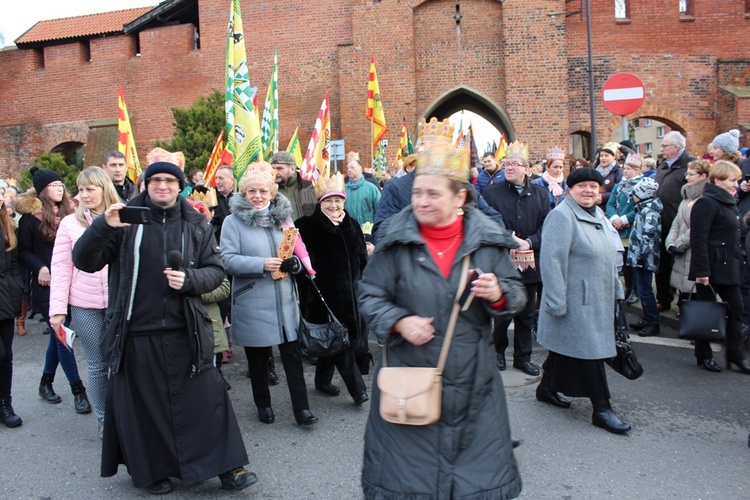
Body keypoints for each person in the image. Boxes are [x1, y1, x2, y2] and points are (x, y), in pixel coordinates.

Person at [358, 117, 525, 499]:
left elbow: (516, 296)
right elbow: (369, 295)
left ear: (460, 198)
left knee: (473, 484)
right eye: (418, 192)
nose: (421, 201)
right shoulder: (395, 242)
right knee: (410, 483)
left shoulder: (487, 242)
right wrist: (399, 321)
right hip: (410, 382)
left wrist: (498, 293)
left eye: (433, 194)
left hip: (474, 385)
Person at [72, 161, 254, 494]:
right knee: (145, 410)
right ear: (146, 184)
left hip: (185, 330)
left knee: (208, 400)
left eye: (170, 180)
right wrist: (103, 226)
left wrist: (190, 279)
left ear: (180, 186)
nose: (163, 186)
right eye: (155, 180)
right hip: (135, 333)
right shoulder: (125, 220)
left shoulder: (196, 223)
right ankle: (152, 471)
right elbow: (84, 261)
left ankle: (228, 467)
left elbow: (217, 272)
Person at [220, 161, 319, 426]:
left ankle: (302, 409)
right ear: (243, 193)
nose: (257, 196)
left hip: (284, 301)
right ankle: (263, 404)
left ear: (272, 192)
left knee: (292, 357)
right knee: (258, 360)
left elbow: (296, 252)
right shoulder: (232, 222)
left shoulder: (283, 219)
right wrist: (260, 264)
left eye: (263, 191)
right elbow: (227, 260)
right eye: (251, 191)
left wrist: (295, 265)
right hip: (253, 299)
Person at [536, 168, 631, 435]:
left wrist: (616, 289)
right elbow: (552, 261)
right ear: (570, 189)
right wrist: (555, 301)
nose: (588, 190)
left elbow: (607, 257)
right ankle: (602, 409)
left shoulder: (597, 214)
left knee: (565, 346)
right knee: (591, 353)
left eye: (593, 186)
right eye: (582, 186)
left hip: (597, 297)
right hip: (575, 299)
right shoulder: (562, 216)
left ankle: (545, 388)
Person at [49, 167, 119, 437]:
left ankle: (127, 415)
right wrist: (57, 311)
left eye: (90, 189)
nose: (83, 195)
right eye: (80, 189)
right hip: (84, 304)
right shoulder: (69, 223)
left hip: (118, 302)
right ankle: (103, 419)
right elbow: (62, 267)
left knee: (123, 361)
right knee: (98, 364)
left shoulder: (121, 217)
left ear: (104, 189)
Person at [16, 168, 90, 412]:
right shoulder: (30, 219)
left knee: (60, 337)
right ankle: (78, 389)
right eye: (54, 185)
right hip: (46, 286)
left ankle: (45, 382)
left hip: (72, 282)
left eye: (61, 184)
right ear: (42, 190)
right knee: (63, 336)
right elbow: (23, 253)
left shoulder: (73, 213)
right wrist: (41, 267)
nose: (59, 188)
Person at [295, 172, 370, 402]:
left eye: (338, 200)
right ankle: (358, 391)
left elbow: (362, 259)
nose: (334, 205)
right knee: (340, 342)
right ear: (320, 202)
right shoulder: (306, 226)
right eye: (328, 200)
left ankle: (322, 380)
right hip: (322, 299)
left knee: (332, 342)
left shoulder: (352, 224)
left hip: (351, 297)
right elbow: (297, 263)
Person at [483, 143, 549, 376]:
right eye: (506, 164)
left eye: (514, 164)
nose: (509, 168)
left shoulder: (541, 194)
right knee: (503, 310)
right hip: (503, 260)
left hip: (531, 259)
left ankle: (523, 357)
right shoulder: (491, 192)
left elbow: (546, 225)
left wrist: (530, 242)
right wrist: (509, 238)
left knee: (527, 312)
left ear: (527, 169)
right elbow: (488, 221)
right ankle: (498, 352)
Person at [689, 160, 750, 374]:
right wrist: (702, 271)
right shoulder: (706, 203)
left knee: (736, 310)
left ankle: (735, 355)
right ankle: (704, 354)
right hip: (710, 267)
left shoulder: (728, 201)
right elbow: (698, 239)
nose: (737, 183)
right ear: (717, 180)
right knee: (707, 312)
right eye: (732, 180)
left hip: (729, 266)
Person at [665, 160, 711, 362]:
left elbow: (698, 228)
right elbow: (676, 222)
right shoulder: (686, 197)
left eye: (692, 174)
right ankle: (687, 327)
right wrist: (671, 242)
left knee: (695, 293)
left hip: (694, 251)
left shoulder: (705, 198)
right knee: (684, 293)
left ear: (702, 176)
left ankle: (698, 332)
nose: (687, 177)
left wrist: (681, 243)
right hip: (681, 252)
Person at [654, 131, 697, 311]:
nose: (661, 148)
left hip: (680, 223)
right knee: (662, 265)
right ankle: (664, 298)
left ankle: (683, 304)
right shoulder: (663, 165)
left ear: (676, 147)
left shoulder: (689, 164)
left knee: (680, 266)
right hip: (661, 223)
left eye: (665, 146)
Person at [625, 177, 663, 337]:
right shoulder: (643, 208)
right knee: (642, 289)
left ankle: (653, 322)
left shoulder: (649, 212)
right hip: (640, 257)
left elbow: (648, 237)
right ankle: (647, 318)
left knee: (645, 290)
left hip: (644, 259)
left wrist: (641, 257)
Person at [0, 186, 24, 427]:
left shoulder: (8, 226)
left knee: (6, 356)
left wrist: (15, 288)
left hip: (5, 296)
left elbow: (14, 264)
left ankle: (5, 404)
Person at [606, 154, 643, 304]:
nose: (625, 171)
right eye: (624, 168)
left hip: (633, 228)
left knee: (633, 261)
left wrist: (625, 219)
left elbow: (640, 206)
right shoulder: (619, 185)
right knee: (625, 262)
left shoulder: (643, 184)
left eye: (628, 169)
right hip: (619, 229)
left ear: (637, 169)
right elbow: (610, 203)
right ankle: (628, 287)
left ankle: (636, 289)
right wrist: (614, 218)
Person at [271, 150, 316, 220]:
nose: (275, 172)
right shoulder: (267, 189)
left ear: (292, 169)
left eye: (280, 168)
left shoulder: (309, 187)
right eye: (273, 168)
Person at [344, 158, 381, 228]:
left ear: (360, 169)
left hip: (367, 231)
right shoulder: (343, 190)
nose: (349, 170)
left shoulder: (371, 188)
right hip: (349, 231)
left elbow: (380, 210)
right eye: (348, 168)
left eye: (352, 167)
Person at [211, 165, 235, 244]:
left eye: (221, 178)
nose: (217, 182)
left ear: (231, 180)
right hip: (217, 242)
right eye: (216, 178)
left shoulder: (242, 197)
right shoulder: (211, 197)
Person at [595, 142, 623, 209]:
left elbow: (620, 190)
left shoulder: (618, 171)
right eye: (601, 156)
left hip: (612, 208)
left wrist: (603, 197)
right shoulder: (596, 171)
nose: (603, 158)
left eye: (606, 156)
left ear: (613, 157)